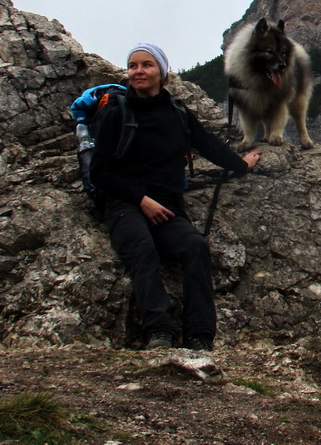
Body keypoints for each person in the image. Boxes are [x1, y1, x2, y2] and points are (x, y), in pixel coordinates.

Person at [90, 43, 261, 351]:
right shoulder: (116, 112)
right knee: (143, 250)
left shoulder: (178, 113)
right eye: (133, 66)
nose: (138, 71)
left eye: (147, 65)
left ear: (162, 73)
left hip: (167, 206)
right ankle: (159, 332)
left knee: (195, 246)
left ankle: (200, 335)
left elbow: (208, 144)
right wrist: (141, 199)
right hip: (125, 205)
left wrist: (241, 165)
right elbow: (100, 173)